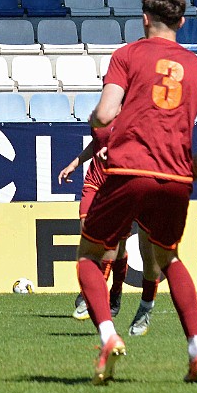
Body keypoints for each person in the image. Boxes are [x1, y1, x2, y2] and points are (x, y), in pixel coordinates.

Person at [77, 0, 197, 384]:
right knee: (169, 259)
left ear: (145, 18)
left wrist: (94, 117)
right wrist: (195, 164)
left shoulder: (127, 55)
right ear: (181, 22)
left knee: (90, 256)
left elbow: (106, 115)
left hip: (128, 170)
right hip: (175, 176)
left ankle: (108, 337)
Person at [59, 128, 160, 336]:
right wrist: (75, 163)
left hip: (127, 185)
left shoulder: (138, 117)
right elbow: (96, 143)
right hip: (95, 185)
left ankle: (117, 293)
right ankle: (93, 295)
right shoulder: (102, 113)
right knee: (91, 238)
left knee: (134, 252)